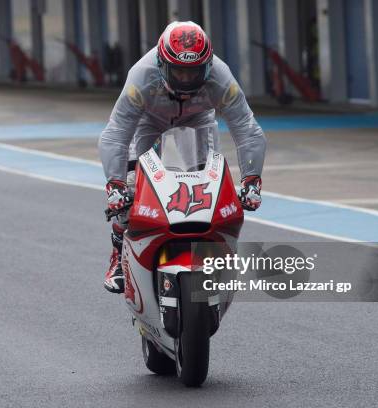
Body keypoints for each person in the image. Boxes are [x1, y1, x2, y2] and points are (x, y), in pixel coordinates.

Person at [98, 21, 266, 293]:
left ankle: (209, 252)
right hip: (149, 121)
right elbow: (116, 133)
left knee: (205, 186)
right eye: (179, 71)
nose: (186, 79)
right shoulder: (141, 74)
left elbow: (247, 128)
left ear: (208, 65)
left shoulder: (221, 76)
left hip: (198, 120)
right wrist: (114, 185)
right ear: (162, 64)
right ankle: (118, 254)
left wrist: (251, 180)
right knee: (130, 187)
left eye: (194, 72)